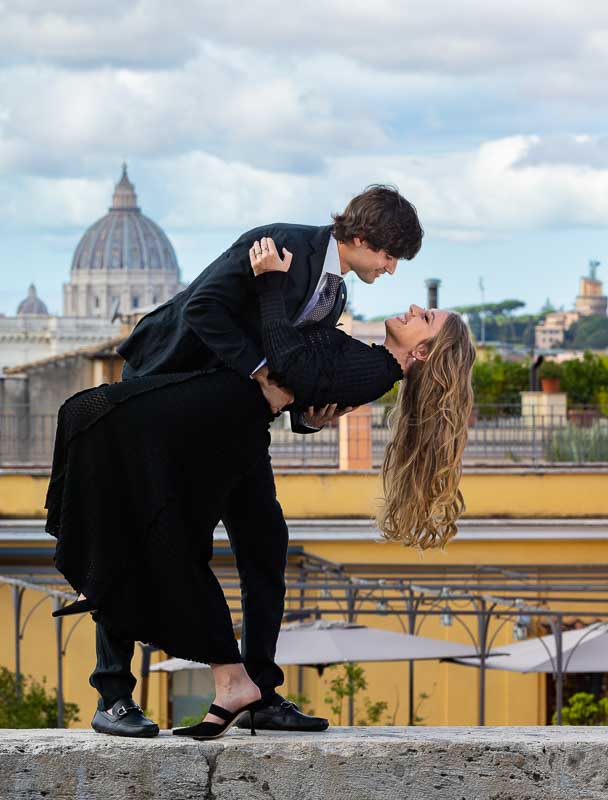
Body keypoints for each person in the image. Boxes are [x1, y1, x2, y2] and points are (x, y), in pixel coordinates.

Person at [49, 186, 450, 738]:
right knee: (146, 533)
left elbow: (305, 374)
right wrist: (261, 371)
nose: (391, 270)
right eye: (389, 256)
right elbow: (204, 309)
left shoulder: (333, 297)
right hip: (173, 394)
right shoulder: (281, 245)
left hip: (237, 428)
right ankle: (114, 693)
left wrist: (312, 415)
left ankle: (259, 691)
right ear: (361, 239)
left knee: (265, 547)